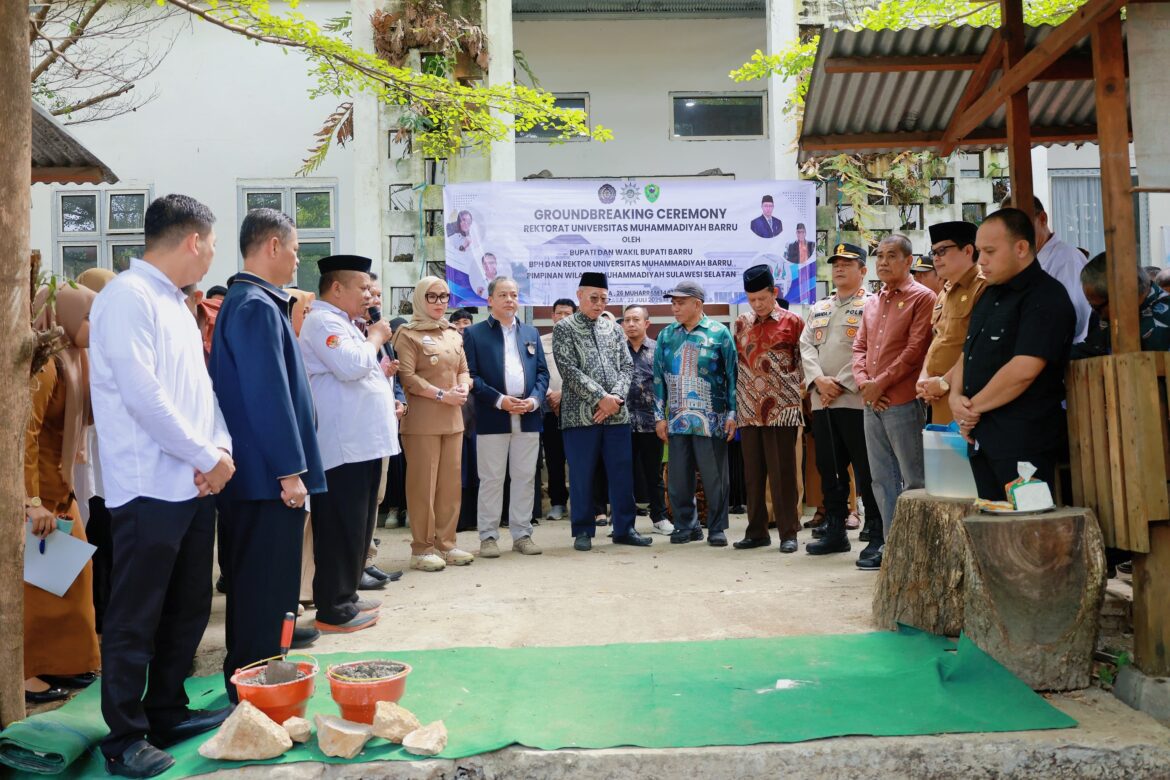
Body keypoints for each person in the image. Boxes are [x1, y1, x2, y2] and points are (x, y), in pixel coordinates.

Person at [90, 194, 235, 778]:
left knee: (188, 606)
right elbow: (141, 394)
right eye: (213, 245)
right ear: (194, 241)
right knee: (136, 614)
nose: (211, 258)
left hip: (193, 482)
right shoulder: (127, 297)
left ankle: (166, 708)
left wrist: (219, 450)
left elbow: (199, 392)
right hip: (148, 483)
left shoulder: (176, 301)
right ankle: (124, 737)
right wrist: (204, 454)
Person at [209, 209, 328, 695]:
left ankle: (260, 683)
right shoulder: (255, 305)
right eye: (296, 248)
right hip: (267, 482)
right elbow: (267, 396)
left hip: (260, 480)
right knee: (264, 594)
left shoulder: (251, 302)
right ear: (273, 247)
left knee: (265, 592)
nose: (299, 259)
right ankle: (256, 691)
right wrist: (289, 471)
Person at [298, 254, 399, 628]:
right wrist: (375, 337)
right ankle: (333, 608)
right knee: (340, 528)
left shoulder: (344, 322)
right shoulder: (323, 321)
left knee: (357, 526)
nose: (369, 295)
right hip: (343, 448)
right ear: (336, 288)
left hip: (364, 444)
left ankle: (348, 595)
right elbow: (353, 365)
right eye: (362, 288)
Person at [951, 208, 1077, 499]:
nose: (981, 260)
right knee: (989, 531)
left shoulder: (1046, 296)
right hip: (981, 436)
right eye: (980, 251)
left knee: (1025, 535)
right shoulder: (989, 293)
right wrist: (955, 396)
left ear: (1020, 248)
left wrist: (971, 409)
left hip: (1022, 441)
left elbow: (1023, 370)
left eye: (990, 251)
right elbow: (967, 352)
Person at [24, 285, 101, 705]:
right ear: (66, 317)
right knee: (36, 586)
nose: (93, 327)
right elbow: (26, 437)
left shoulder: (74, 355)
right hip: (38, 490)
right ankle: (26, 672)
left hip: (62, 485)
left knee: (72, 577)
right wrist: (30, 502)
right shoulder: (43, 363)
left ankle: (63, 661)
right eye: (88, 317)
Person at [851, 235, 936, 571]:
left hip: (902, 400)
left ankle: (920, 553)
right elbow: (858, 348)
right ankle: (892, 546)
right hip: (872, 404)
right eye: (879, 256)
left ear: (908, 260)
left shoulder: (923, 298)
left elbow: (915, 351)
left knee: (915, 479)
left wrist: (879, 384)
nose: (883, 262)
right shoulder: (872, 301)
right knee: (881, 479)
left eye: (891, 256)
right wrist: (864, 385)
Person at [553, 272, 653, 551]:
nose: (598, 304)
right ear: (580, 295)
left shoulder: (614, 329)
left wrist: (616, 398)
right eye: (593, 298)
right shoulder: (565, 328)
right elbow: (569, 371)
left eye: (604, 299)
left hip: (617, 415)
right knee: (583, 474)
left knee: (622, 472)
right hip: (579, 416)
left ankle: (624, 528)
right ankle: (583, 530)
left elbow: (626, 366)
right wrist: (601, 398)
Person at [801, 244, 883, 559]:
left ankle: (875, 530)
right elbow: (805, 346)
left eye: (847, 264)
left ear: (863, 270)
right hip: (823, 402)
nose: (839, 268)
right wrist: (819, 380)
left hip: (855, 400)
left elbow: (870, 350)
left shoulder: (872, 305)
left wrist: (842, 382)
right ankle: (835, 531)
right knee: (829, 468)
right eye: (836, 263)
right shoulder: (819, 308)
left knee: (866, 469)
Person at [392, 276, 475, 570]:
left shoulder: (452, 333)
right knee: (422, 486)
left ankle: (446, 543)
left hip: (453, 420)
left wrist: (464, 387)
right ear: (420, 299)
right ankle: (422, 547)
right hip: (422, 422)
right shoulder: (407, 334)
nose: (440, 303)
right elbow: (408, 377)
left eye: (444, 297)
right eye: (432, 297)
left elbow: (464, 369)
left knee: (451, 485)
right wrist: (442, 395)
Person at [464, 277, 549, 557]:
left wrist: (535, 400)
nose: (510, 300)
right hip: (492, 417)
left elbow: (542, 373)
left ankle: (522, 534)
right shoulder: (475, 334)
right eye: (503, 295)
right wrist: (500, 401)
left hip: (528, 416)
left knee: (525, 477)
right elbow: (472, 376)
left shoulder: (531, 333)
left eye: (514, 294)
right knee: (491, 478)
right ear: (490, 300)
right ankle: (488, 536)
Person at [653, 281, 738, 546]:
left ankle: (716, 527)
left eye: (680, 303)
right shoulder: (667, 335)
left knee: (714, 476)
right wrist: (660, 416)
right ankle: (685, 526)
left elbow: (733, 376)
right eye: (673, 303)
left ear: (697, 304)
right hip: (677, 419)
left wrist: (732, 414)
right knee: (678, 477)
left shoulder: (719, 333)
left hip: (711, 420)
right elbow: (658, 379)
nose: (674, 308)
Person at [732, 266, 805, 553]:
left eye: (762, 298)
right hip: (749, 409)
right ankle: (757, 531)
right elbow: (738, 364)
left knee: (783, 474)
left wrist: (798, 395)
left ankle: (789, 532)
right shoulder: (741, 323)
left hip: (782, 410)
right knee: (753, 475)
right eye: (751, 300)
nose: (757, 305)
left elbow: (803, 363)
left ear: (774, 293)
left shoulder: (793, 322)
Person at [73, 268, 117, 632]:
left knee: (107, 546)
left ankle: (103, 619)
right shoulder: (75, 349)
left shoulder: (99, 343)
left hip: (107, 469)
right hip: (84, 470)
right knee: (95, 546)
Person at [915, 222, 988, 425]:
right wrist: (923, 377)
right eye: (933, 252)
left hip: (966, 397)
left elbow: (977, 348)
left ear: (967, 250)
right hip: (936, 397)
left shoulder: (983, 288)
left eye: (943, 250)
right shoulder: (944, 292)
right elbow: (937, 341)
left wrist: (944, 382)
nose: (936, 257)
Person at [1001, 195, 1091, 342]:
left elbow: (1072, 319)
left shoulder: (1066, 258)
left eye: (1021, 225)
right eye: (1008, 228)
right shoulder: (1023, 262)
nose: (1015, 234)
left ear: (1042, 219)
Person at [622, 304, 673, 535]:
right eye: (627, 320)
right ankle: (624, 522)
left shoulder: (658, 350)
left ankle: (659, 518)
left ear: (646, 323)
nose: (631, 324)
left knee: (653, 474)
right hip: (620, 423)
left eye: (636, 319)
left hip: (651, 423)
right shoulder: (617, 350)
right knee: (622, 473)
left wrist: (663, 418)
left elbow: (666, 387)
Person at [1073, 252, 1170, 357]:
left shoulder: (1162, 321)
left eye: (1096, 307)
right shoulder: (1112, 314)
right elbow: (1093, 349)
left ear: (1119, 297)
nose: (1098, 315)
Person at [540, 298, 575, 520]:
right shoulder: (540, 341)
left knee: (578, 458)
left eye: (567, 313)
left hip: (575, 408)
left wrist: (564, 394)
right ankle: (558, 503)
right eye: (558, 313)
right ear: (552, 316)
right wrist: (549, 395)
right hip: (548, 408)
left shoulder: (581, 340)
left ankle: (581, 503)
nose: (562, 317)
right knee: (553, 458)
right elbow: (536, 371)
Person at [783, 222, 818, 303]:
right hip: (796, 270)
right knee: (796, 291)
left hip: (808, 270)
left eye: (802, 232)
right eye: (799, 232)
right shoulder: (791, 246)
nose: (800, 234)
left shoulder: (811, 244)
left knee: (808, 290)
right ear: (796, 233)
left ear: (805, 233)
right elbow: (788, 259)